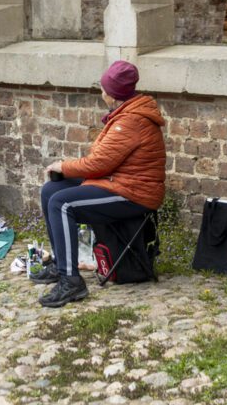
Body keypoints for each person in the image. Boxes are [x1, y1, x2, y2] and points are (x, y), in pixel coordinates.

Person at [34, 59, 166, 307]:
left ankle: (71, 282)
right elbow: (103, 163)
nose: (102, 92)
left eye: (104, 89)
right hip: (116, 181)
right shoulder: (126, 114)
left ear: (114, 95)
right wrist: (64, 170)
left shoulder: (131, 121)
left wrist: (62, 165)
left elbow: (98, 164)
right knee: (51, 190)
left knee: (61, 203)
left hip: (134, 193)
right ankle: (60, 265)